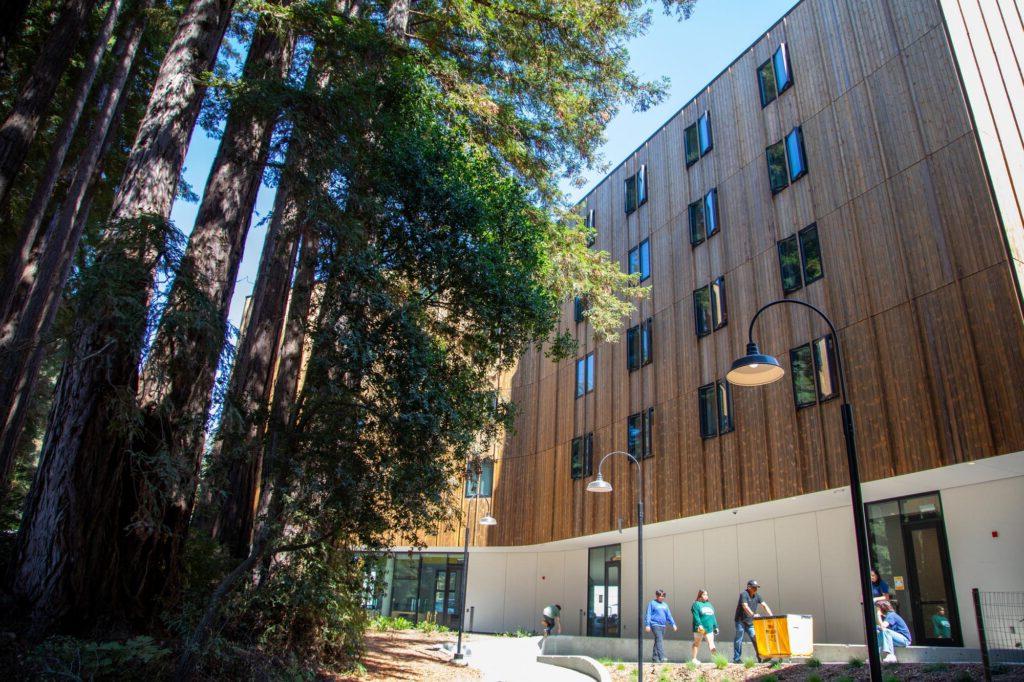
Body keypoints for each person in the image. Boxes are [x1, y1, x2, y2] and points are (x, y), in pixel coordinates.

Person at [733, 579, 773, 663]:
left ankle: (761, 657)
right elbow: (745, 606)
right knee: (739, 639)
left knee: (756, 638)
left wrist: (771, 616)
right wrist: (753, 615)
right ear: (749, 587)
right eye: (754, 587)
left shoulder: (757, 596)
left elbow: (764, 605)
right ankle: (736, 659)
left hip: (750, 622)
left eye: (757, 588)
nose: (756, 589)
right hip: (740, 621)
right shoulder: (744, 594)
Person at [644, 589, 678, 663]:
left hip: (663, 625)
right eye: (660, 596)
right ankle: (662, 657)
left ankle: (655, 658)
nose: (662, 597)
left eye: (663, 596)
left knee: (657, 641)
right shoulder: (652, 603)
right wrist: (647, 625)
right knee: (659, 640)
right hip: (654, 624)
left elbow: (669, 615)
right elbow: (648, 614)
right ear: (657, 596)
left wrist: (673, 624)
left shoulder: (665, 605)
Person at [690, 589, 719, 664]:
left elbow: (713, 616)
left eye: (707, 594)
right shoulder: (696, 604)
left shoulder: (709, 604)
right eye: (704, 594)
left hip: (709, 628)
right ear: (700, 595)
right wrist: (699, 624)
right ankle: (694, 659)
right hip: (700, 628)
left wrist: (715, 626)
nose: (706, 596)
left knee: (711, 643)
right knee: (697, 643)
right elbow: (696, 616)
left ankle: (717, 660)